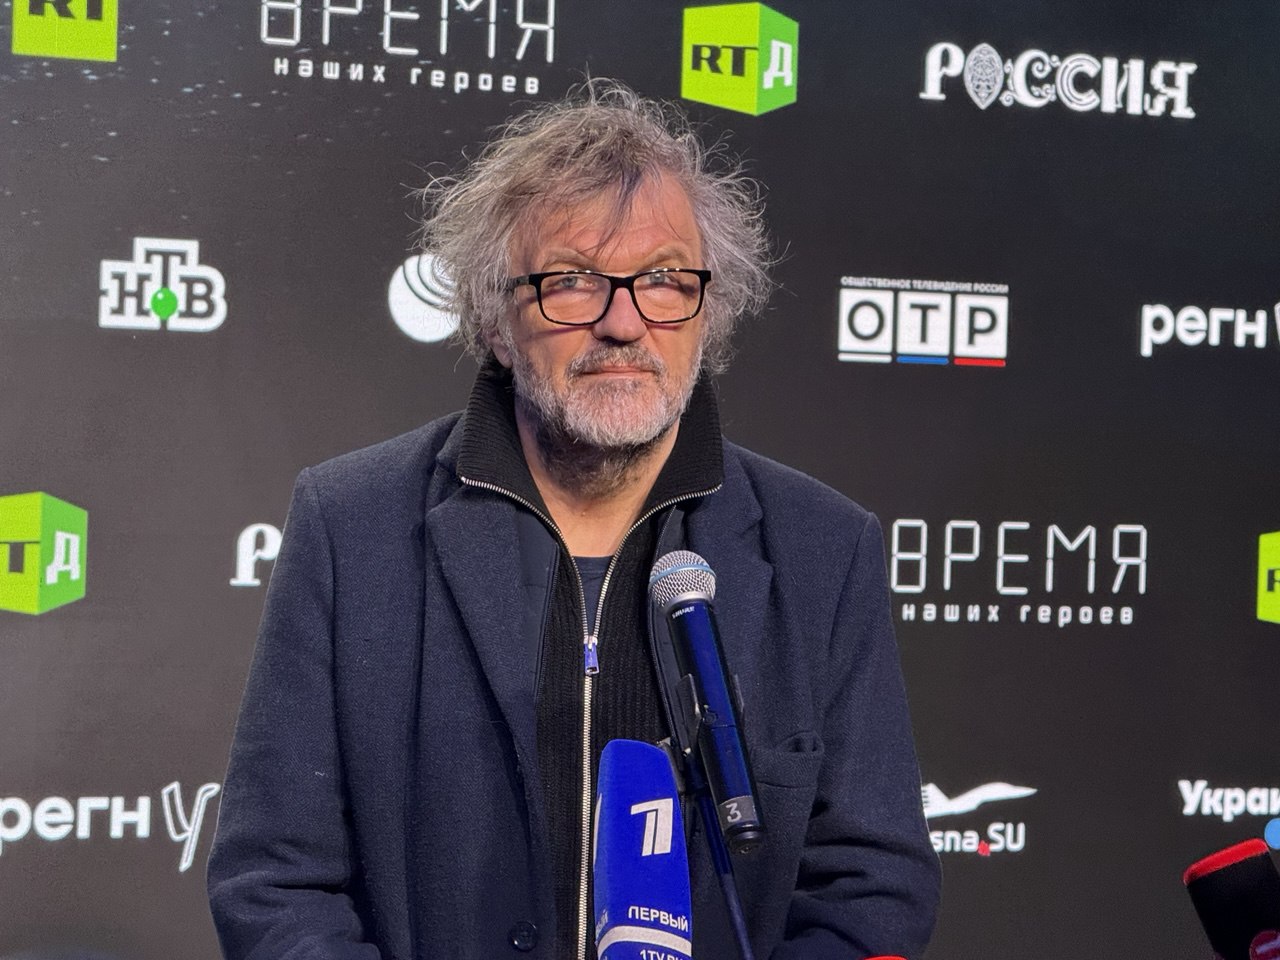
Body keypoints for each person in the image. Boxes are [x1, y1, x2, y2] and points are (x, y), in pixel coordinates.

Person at [207, 80, 940, 960]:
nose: (623, 322)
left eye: (664, 279)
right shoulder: (351, 525)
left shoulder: (825, 547)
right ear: (496, 319)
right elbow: (274, 882)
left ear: (708, 312)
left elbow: (871, 889)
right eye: (572, 282)